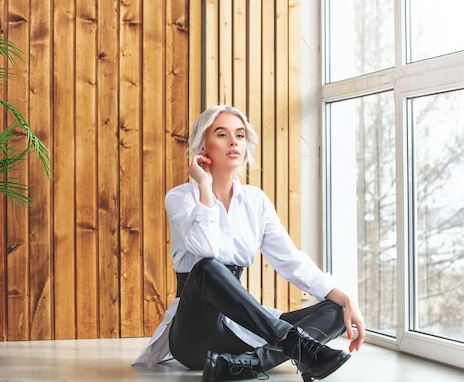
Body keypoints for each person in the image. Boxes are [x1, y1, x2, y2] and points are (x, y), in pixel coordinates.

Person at [133, 105, 366, 382]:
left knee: (337, 311)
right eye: (222, 134)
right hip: (195, 333)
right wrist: (205, 187)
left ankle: (248, 363)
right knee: (208, 267)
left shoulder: (256, 201)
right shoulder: (181, 197)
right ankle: (295, 345)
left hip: (245, 330)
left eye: (240, 135)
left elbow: (291, 261)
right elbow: (207, 250)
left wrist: (345, 296)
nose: (234, 142)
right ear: (202, 146)